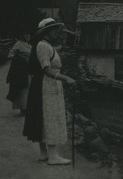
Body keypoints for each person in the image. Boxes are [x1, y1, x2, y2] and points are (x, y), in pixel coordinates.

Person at [23, 18, 75, 165]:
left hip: (48, 85)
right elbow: (46, 69)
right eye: (54, 30)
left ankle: (44, 153)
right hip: (47, 85)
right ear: (46, 32)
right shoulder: (44, 46)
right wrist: (65, 78)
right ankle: (53, 156)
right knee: (50, 117)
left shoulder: (45, 45)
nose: (56, 33)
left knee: (42, 117)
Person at [6, 31, 32, 116]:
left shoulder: (29, 45)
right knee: (22, 89)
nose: (28, 36)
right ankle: (22, 109)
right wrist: (20, 59)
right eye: (26, 34)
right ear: (23, 35)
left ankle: (27, 107)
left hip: (28, 70)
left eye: (29, 34)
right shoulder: (18, 44)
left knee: (27, 88)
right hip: (20, 70)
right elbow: (10, 55)